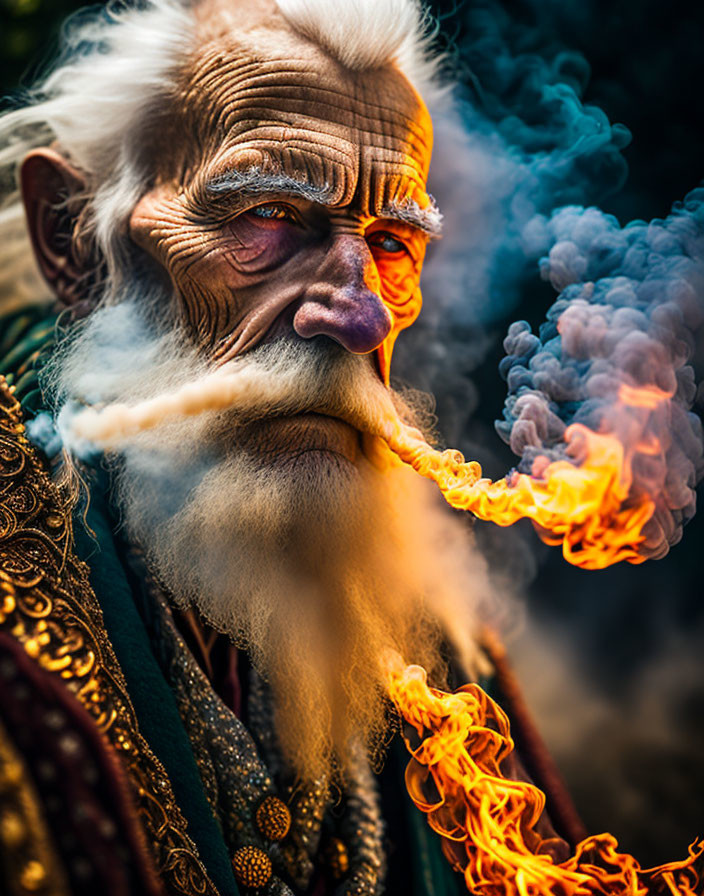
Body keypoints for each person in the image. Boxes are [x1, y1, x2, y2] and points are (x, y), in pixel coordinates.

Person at [0, 1, 583, 893]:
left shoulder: (416, 606)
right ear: (75, 237)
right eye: (270, 214)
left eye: (391, 241)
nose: (357, 316)